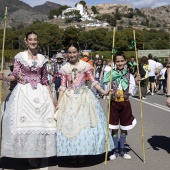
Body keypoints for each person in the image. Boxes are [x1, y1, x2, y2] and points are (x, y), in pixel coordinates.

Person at [0, 32, 57, 168]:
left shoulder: (42, 58)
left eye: (35, 39)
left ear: (37, 41)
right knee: (23, 123)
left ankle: (38, 152)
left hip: (41, 93)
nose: (33, 42)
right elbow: (15, 75)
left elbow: (45, 80)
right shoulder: (20, 57)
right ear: (26, 41)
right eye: (30, 39)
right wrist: (5, 78)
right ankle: (29, 154)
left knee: (41, 123)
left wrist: (51, 98)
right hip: (24, 92)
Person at [55, 42, 114, 163]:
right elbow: (62, 86)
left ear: (78, 52)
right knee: (71, 125)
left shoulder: (85, 65)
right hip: (69, 98)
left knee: (84, 127)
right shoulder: (64, 68)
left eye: (74, 52)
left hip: (84, 97)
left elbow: (93, 81)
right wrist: (58, 104)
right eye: (70, 52)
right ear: (67, 54)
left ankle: (81, 153)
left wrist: (104, 91)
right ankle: (72, 153)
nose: (72, 55)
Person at [104, 51, 139, 160]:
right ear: (114, 62)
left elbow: (133, 92)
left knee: (124, 126)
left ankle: (122, 149)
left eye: (121, 61)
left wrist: (137, 84)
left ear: (125, 61)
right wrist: (108, 90)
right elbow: (105, 86)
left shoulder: (129, 76)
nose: (119, 63)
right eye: (117, 61)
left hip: (125, 103)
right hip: (114, 103)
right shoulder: (111, 74)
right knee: (114, 127)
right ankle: (115, 150)